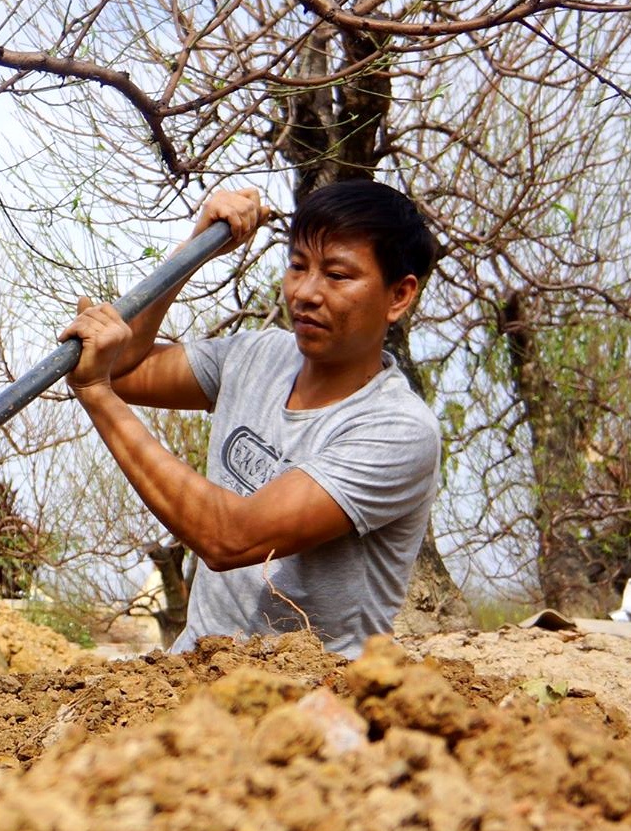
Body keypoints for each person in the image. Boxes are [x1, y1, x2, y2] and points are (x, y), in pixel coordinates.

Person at [60, 181, 440, 657]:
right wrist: (193, 251)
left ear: (399, 296)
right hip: (195, 673)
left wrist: (95, 393)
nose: (305, 292)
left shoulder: (397, 431)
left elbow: (230, 537)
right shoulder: (258, 355)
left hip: (307, 703)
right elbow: (124, 368)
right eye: (298, 266)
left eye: (337, 275)